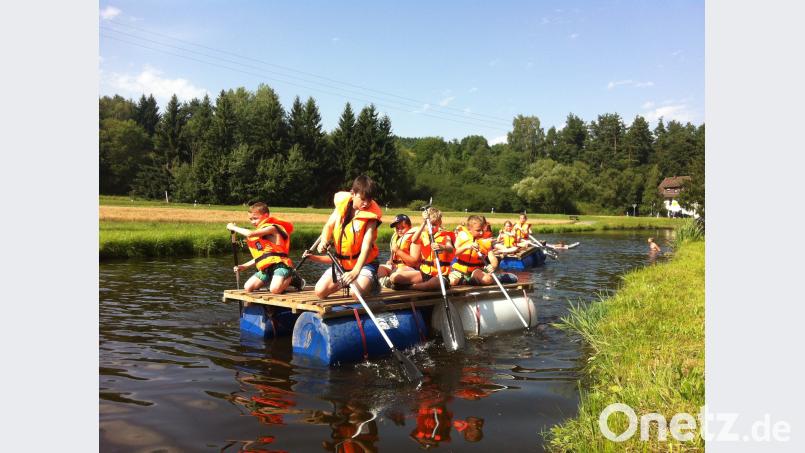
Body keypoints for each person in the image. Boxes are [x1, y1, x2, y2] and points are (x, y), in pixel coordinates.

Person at [302, 175, 383, 300]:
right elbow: (328, 226)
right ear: (353, 194)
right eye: (362, 199)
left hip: (364, 264)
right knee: (320, 292)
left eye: (369, 199)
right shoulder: (342, 206)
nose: (366, 203)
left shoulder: (371, 216)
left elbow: (366, 246)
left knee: (356, 294)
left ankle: (372, 284)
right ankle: (348, 282)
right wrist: (323, 241)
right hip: (342, 263)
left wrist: (355, 271)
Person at [227, 201, 304, 293]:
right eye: (251, 219)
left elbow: (250, 234)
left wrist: (233, 227)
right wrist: (244, 266)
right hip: (266, 269)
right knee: (248, 287)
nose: (253, 222)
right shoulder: (261, 233)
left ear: (266, 215)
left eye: (255, 218)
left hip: (280, 265)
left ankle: (294, 278)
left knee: (275, 290)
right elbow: (263, 257)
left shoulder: (272, 228)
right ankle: (274, 278)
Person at [390, 208, 455, 291]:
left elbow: (450, 249)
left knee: (435, 282)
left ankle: (410, 287)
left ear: (440, 223)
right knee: (394, 277)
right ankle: (419, 285)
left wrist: (442, 247)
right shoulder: (422, 235)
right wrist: (424, 222)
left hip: (440, 276)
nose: (431, 227)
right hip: (425, 273)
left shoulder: (446, 236)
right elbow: (414, 240)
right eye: (429, 224)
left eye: (434, 224)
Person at [449, 215, 499, 287]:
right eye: (478, 230)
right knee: (452, 281)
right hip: (460, 269)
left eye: (482, 230)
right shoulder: (462, 236)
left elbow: (493, 258)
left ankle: (469, 280)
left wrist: (493, 266)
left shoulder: (485, 241)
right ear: (469, 229)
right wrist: (467, 246)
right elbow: (453, 254)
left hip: (476, 270)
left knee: (487, 280)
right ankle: (465, 280)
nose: (481, 233)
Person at [378, 214, 420, 288]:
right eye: (397, 228)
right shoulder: (396, 238)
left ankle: (391, 282)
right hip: (396, 267)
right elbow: (392, 259)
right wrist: (390, 261)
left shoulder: (414, 239)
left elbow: (414, 263)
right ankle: (389, 283)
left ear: (409, 227)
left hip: (410, 269)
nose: (399, 230)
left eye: (403, 228)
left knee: (396, 275)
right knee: (379, 268)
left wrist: (398, 251)